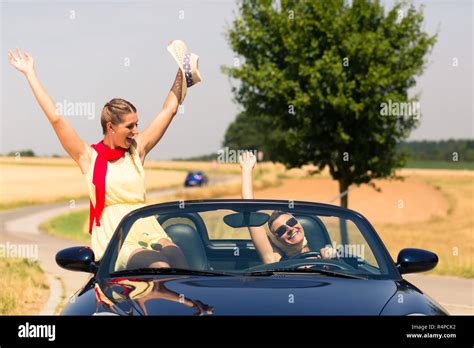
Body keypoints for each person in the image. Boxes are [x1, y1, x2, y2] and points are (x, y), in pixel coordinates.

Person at [8, 41, 200, 270]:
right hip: (115, 234)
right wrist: (30, 74)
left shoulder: (136, 151)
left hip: (148, 227)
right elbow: (56, 118)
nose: (136, 131)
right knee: (158, 265)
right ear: (111, 127)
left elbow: (169, 109)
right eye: (130, 126)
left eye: (137, 124)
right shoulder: (88, 158)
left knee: (179, 261)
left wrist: (182, 71)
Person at [239, 151, 337, 263]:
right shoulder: (275, 261)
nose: (290, 229)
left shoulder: (324, 255)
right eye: (281, 230)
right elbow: (249, 211)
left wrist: (329, 262)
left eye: (291, 222)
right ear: (276, 241)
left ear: (298, 223)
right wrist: (246, 171)